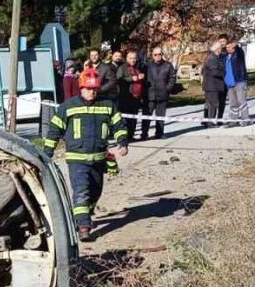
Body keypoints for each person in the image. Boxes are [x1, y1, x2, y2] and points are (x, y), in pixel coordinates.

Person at [41, 68, 129, 242]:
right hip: (77, 160)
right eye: (89, 89)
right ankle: (83, 227)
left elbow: (119, 125)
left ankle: (82, 215)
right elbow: (54, 130)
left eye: (95, 89)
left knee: (95, 192)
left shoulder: (107, 106)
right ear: (81, 87)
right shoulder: (69, 106)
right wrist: (47, 154)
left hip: (98, 159)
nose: (92, 92)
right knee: (81, 191)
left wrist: (123, 142)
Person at [144, 47, 176, 139]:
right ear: (152, 56)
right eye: (155, 54)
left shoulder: (168, 65)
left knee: (161, 116)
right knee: (147, 116)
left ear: (162, 55)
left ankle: (160, 133)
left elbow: (172, 77)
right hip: (150, 95)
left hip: (162, 95)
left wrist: (168, 88)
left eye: (159, 54)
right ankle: (144, 134)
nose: (158, 56)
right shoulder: (147, 65)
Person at [117, 50, 146, 139]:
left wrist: (141, 78)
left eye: (134, 58)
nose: (133, 60)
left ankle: (131, 135)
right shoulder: (122, 68)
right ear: (127, 58)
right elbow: (118, 80)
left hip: (136, 98)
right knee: (125, 119)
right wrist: (131, 79)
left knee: (134, 118)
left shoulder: (138, 68)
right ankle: (124, 137)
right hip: (125, 97)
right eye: (131, 58)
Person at [202, 39, 227, 122]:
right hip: (212, 85)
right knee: (213, 104)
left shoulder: (214, 57)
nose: (221, 49)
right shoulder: (212, 58)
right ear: (217, 49)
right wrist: (223, 73)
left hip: (213, 85)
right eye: (220, 48)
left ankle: (207, 121)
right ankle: (210, 122)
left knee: (211, 104)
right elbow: (214, 72)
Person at [224, 39, 249, 123]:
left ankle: (245, 119)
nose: (228, 49)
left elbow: (239, 49)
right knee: (232, 103)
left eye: (230, 46)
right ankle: (233, 119)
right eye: (226, 47)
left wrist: (236, 46)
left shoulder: (238, 54)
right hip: (230, 84)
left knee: (241, 101)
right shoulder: (226, 57)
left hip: (239, 81)